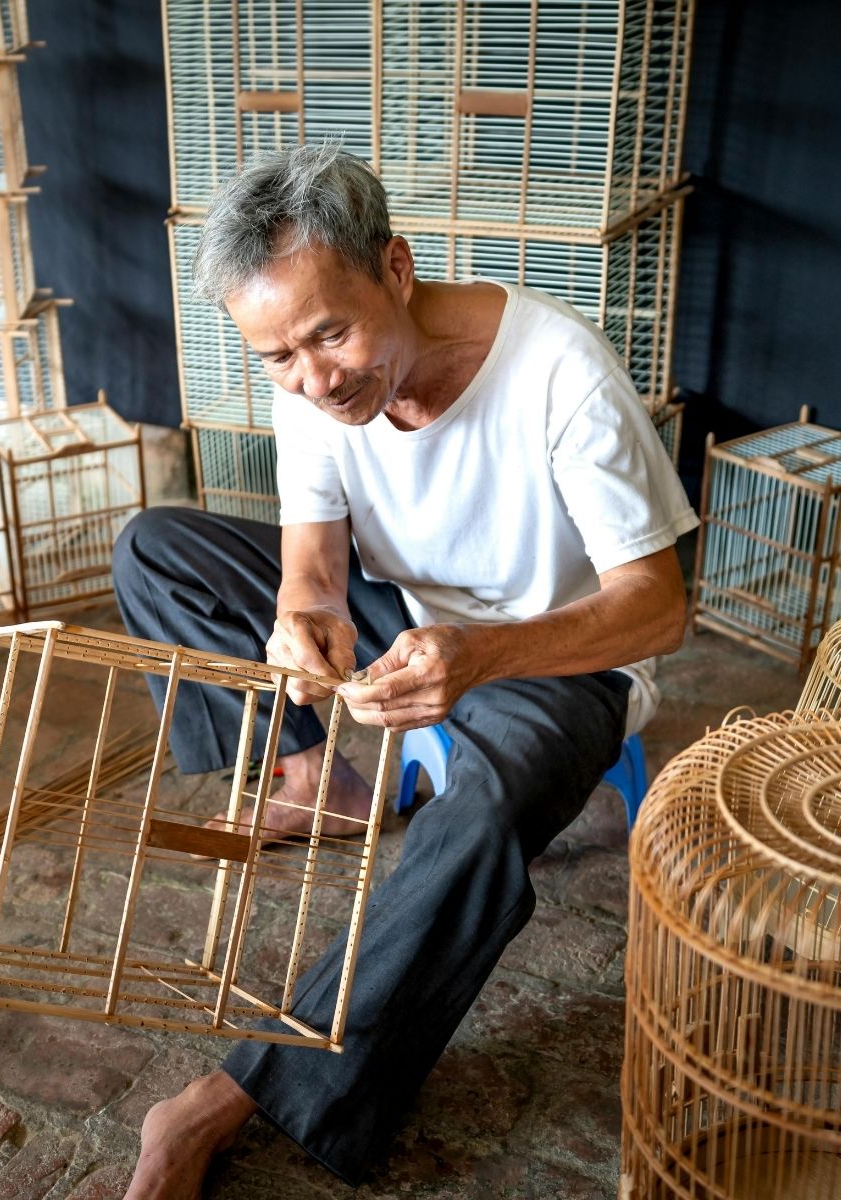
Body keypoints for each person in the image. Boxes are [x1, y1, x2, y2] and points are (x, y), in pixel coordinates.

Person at [111, 142, 696, 1198]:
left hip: (561, 654)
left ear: (398, 268)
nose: (315, 380)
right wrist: (304, 623)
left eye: (331, 335)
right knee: (154, 547)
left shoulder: (560, 372)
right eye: (277, 358)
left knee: (480, 821)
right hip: (410, 620)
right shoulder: (316, 383)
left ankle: (233, 1094)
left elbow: (658, 610)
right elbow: (313, 570)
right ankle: (318, 778)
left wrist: (483, 657)